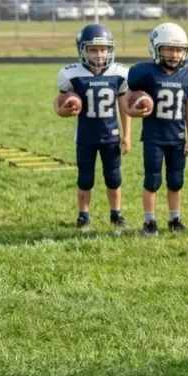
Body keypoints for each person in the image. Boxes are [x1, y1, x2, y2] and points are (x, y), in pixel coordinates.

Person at [127, 23, 188, 235]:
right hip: (153, 137)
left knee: (176, 180)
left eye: (178, 50)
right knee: (152, 179)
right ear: (156, 49)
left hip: (177, 137)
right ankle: (149, 221)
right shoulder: (145, 74)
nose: (174, 54)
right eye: (168, 49)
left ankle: (174, 218)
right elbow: (128, 100)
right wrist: (134, 109)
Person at [55, 24, 132, 230]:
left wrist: (127, 135)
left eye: (103, 49)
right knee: (85, 177)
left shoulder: (120, 73)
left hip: (111, 135)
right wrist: (65, 108)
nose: (99, 54)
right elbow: (60, 103)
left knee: (114, 177)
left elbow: (123, 107)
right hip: (86, 136)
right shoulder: (71, 74)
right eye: (93, 49)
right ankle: (83, 216)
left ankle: (116, 214)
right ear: (82, 49)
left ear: (110, 49)